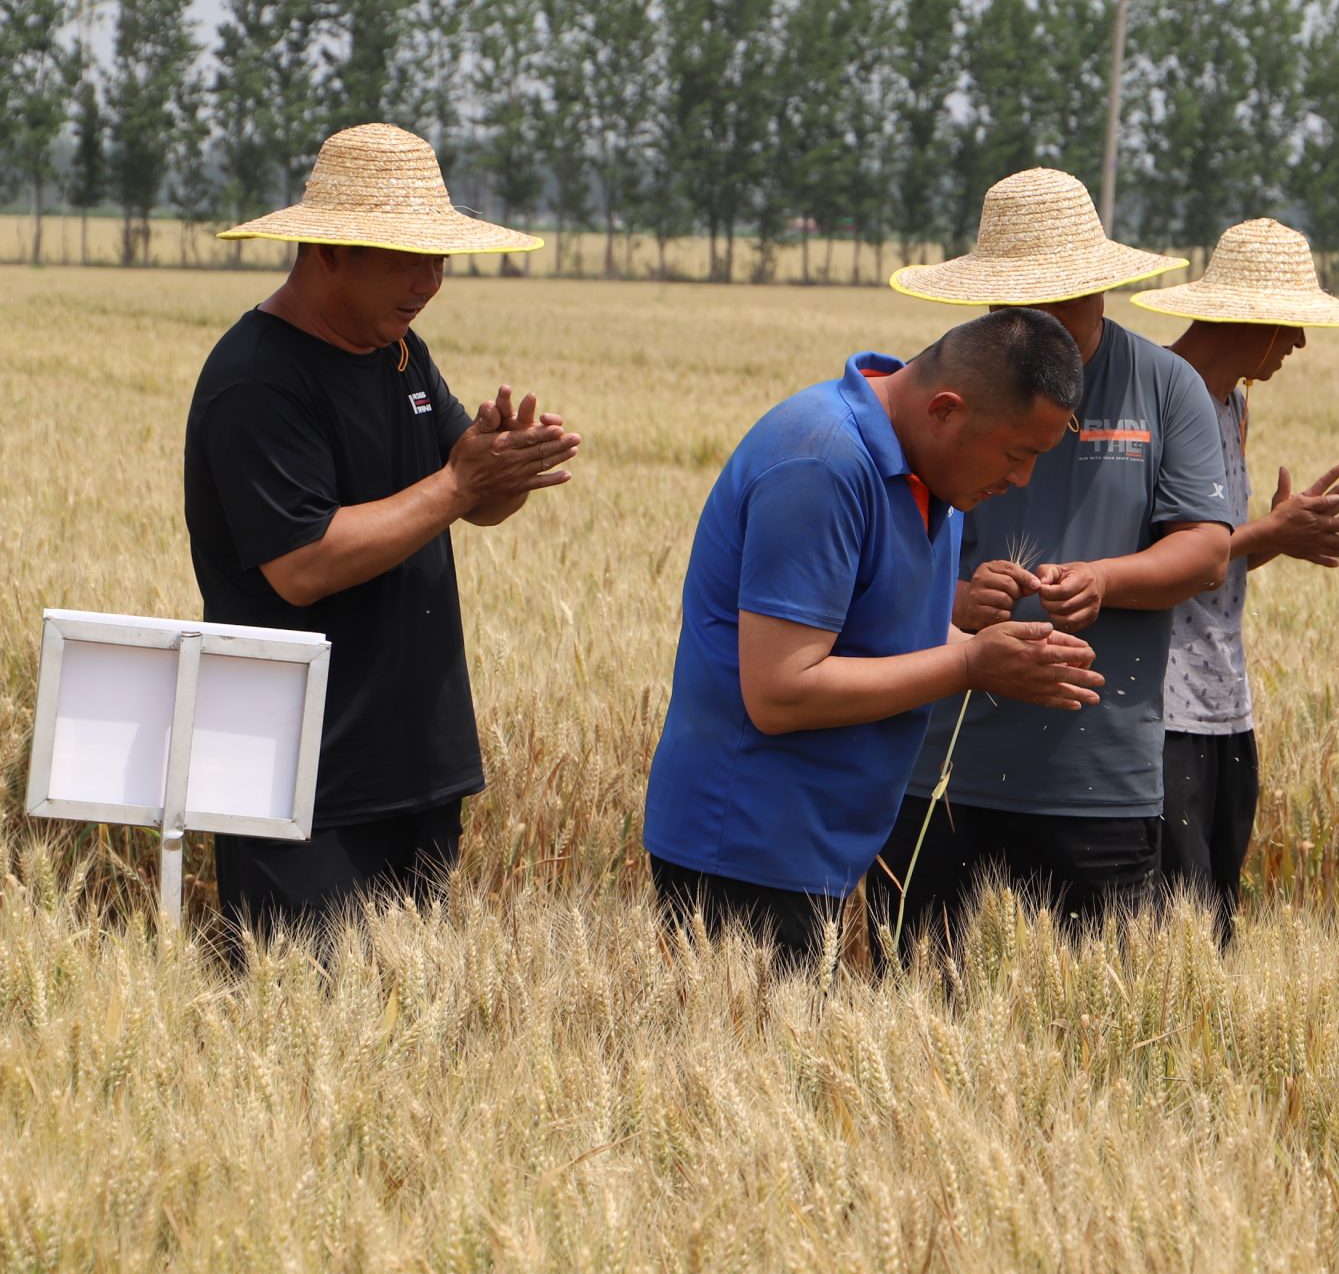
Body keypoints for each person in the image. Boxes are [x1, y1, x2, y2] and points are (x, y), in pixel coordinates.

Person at [187, 123, 581, 948]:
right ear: (329, 250)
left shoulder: (398, 352)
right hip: (301, 783)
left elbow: (461, 502)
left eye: (439, 258)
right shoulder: (258, 379)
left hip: (416, 765)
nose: (429, 282)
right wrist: (459, 481)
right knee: (295, 1028)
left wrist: (496, 475)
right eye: (407, 258)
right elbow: (302, 563)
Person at [642, 309, 1105, 966]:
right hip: (746, 849)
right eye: (1017, 453)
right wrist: (972, 661)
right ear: (945, 409)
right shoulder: (822, 461)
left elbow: (878, 629)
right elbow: (781, 690)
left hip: (816, 848)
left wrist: (1007, 652)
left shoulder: (925, 465)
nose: (1021, 480)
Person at [883, 169, 1236, 934]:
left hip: (1098, 775)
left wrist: (1104, 580)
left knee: (1086, 1026)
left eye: (1065, 299)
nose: (1044, 322)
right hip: (941, 767)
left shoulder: (1167, 386)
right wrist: (952, 598)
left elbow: (1207, 549)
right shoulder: (943, 384)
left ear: (1102, 289)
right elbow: (881, 558)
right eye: (1022, 304)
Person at [1128, 218, 1339, 938]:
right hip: (1162, 703)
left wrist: (1275, 539)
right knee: (1176, 917)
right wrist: (1269, 531)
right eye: (1292, 324)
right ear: (1257, 319)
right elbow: (1151, 552)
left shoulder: (1233, 404)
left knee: (1216, 912)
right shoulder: (1157, 397)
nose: (1299, 343)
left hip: (1224, 699)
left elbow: (1207, 557)